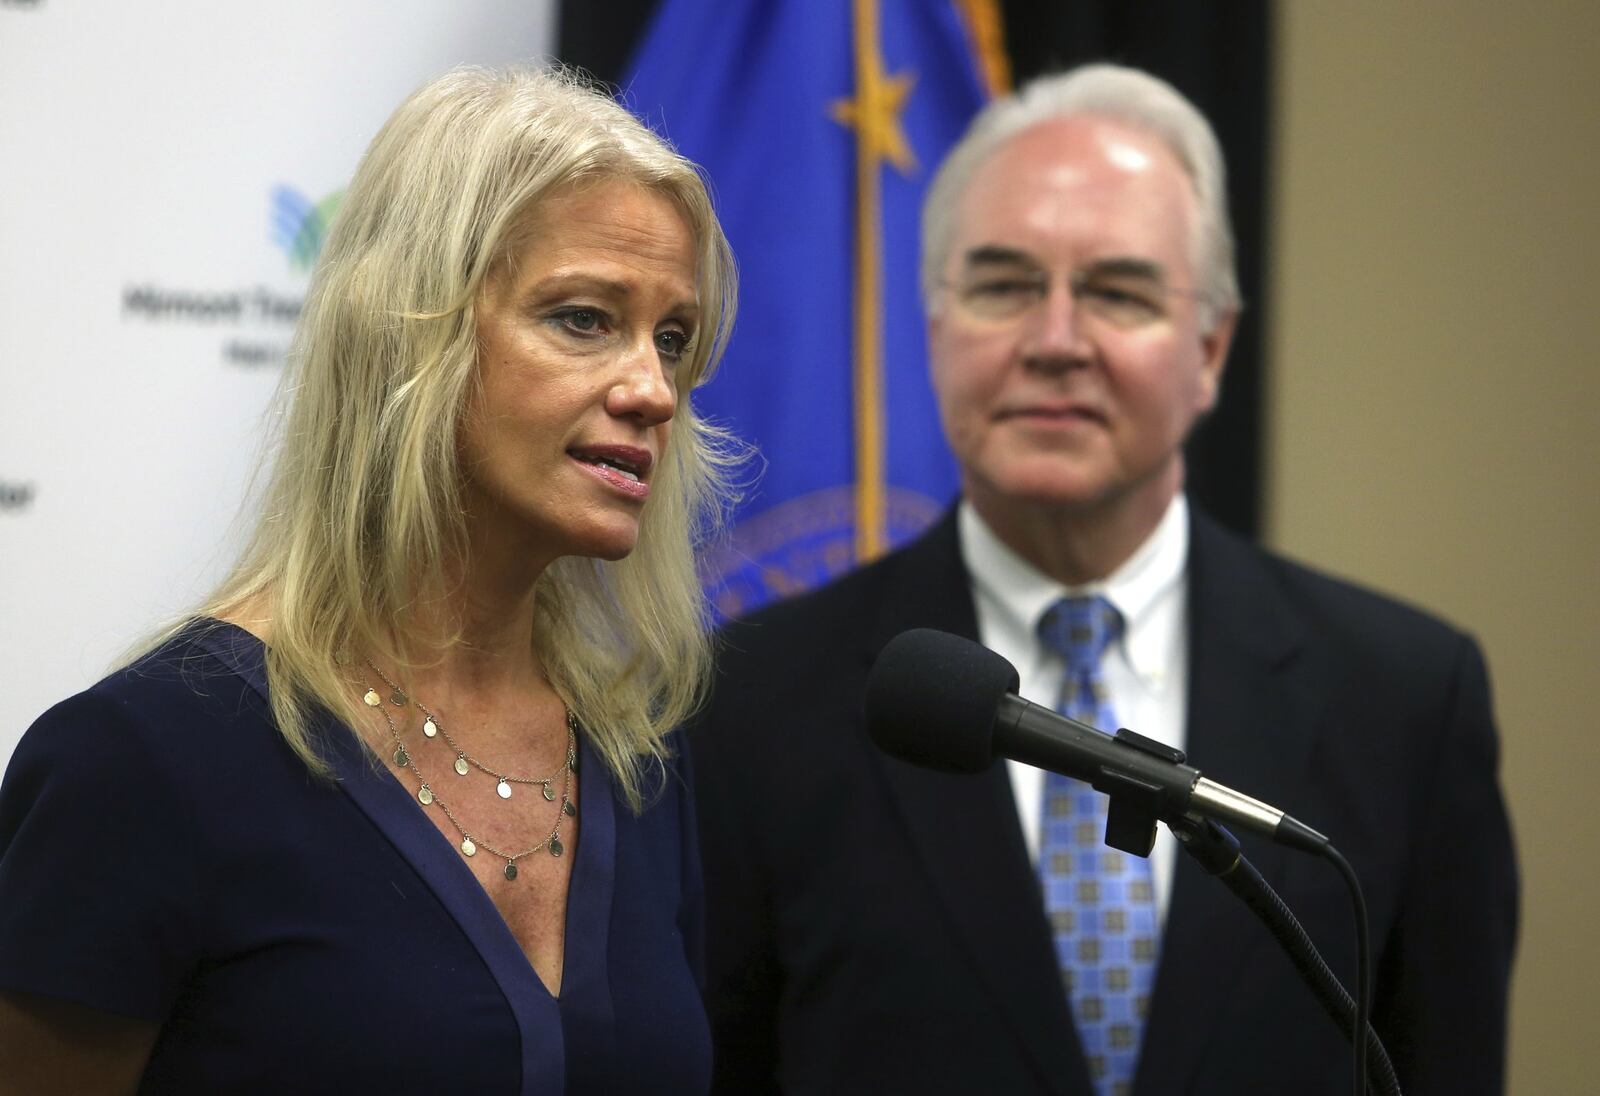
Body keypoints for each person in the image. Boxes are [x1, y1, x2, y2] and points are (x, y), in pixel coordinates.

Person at [689, 63, 1517, 1095]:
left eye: (1117, 292)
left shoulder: (1404, 700)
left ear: (1210, 348)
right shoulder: (749, 703)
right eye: (1002, 286)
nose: (1054, 341)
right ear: (933, 328)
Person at [0, 64, 737, 1095]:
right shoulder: (143, 760)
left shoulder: (637, 755)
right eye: (582, 318)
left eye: (672, 338)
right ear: (408, 332)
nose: (653, 389)